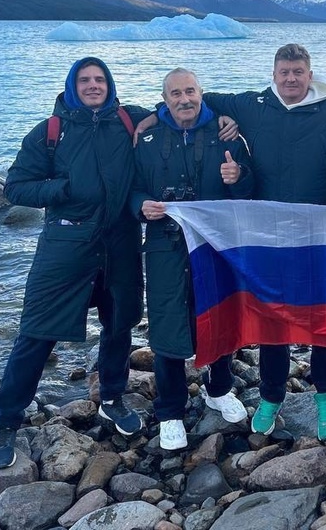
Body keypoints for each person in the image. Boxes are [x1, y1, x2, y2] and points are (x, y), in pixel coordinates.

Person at [0, 57, 151, 470]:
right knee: (37, 333)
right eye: (85, 80)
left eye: (100, 79)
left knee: (118, 326)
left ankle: (112, 398)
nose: (93, 85)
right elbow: (16, 188)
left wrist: (228, 123)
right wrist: (65, 189)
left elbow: (182, 109)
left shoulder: (131, 121)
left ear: (110, 84)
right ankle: (5, 420)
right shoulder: (50, 132)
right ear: (72, 85)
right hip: (65, 247)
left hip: (120, 245)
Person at [200, 44, 326, 441]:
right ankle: (271, 394)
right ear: (273, 74)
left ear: (310, 74)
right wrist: (152, 118)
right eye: (284, 71)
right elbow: (194, 99)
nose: (291, 79)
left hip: (321, 234)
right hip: (269, 234)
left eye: (298, 71)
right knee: (272, 314)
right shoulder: (252, 105)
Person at [129, 68, 254, 451]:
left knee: (219, 314)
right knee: (167, 321)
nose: (184, 99)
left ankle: (219, 389)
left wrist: (239, 176)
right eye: (175, 94)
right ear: (164, 99)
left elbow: (251, 191)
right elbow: (130, 189)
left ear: (202, 93)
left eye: (190, 91)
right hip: (165, 246)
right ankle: (170, 410)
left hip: (215, 245)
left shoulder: (226, 133)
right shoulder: (147, 139)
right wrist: (139, 206)